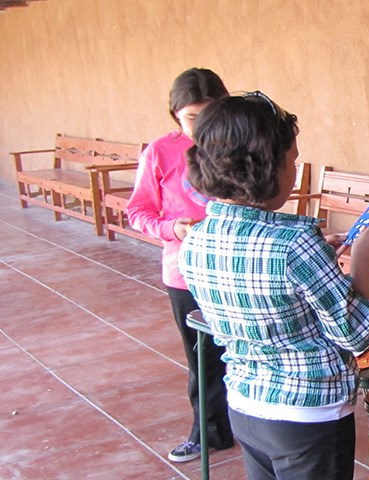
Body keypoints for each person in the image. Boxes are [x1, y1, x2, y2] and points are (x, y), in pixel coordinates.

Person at [177, 91, 369, 480]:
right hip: (308, 415)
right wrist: (364, 261)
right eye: (293, 160)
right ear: (267, 166)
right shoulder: (295, 245)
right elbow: (356, 335)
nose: (295, 169)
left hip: (246, 405)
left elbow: (268, 288)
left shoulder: (197, 238)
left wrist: (319, 259)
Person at [126, 68, 234, 462]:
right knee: (202, 359)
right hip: (185, 273)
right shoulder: (159, 152)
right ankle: (208, 433)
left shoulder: (238, 144)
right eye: (191, 117)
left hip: (237, 267)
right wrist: (172, 227)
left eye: (209, 114)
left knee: (244, 350)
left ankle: (253, 425)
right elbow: (137, 211)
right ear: (175, 115)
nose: (201, 125)